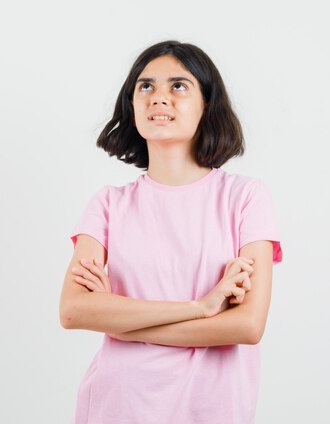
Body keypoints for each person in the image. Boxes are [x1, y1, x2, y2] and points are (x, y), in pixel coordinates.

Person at [59, 40, 283, 424]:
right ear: (131, 105)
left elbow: (247, 325)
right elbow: (74, 310)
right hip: (118, 405)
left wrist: (126, 326)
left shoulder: (245, 197)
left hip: (213, 409)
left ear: (207, 105)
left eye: (178, 85)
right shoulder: (108, 205)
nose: (158, 97)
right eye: (145, 86)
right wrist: (201, 308)